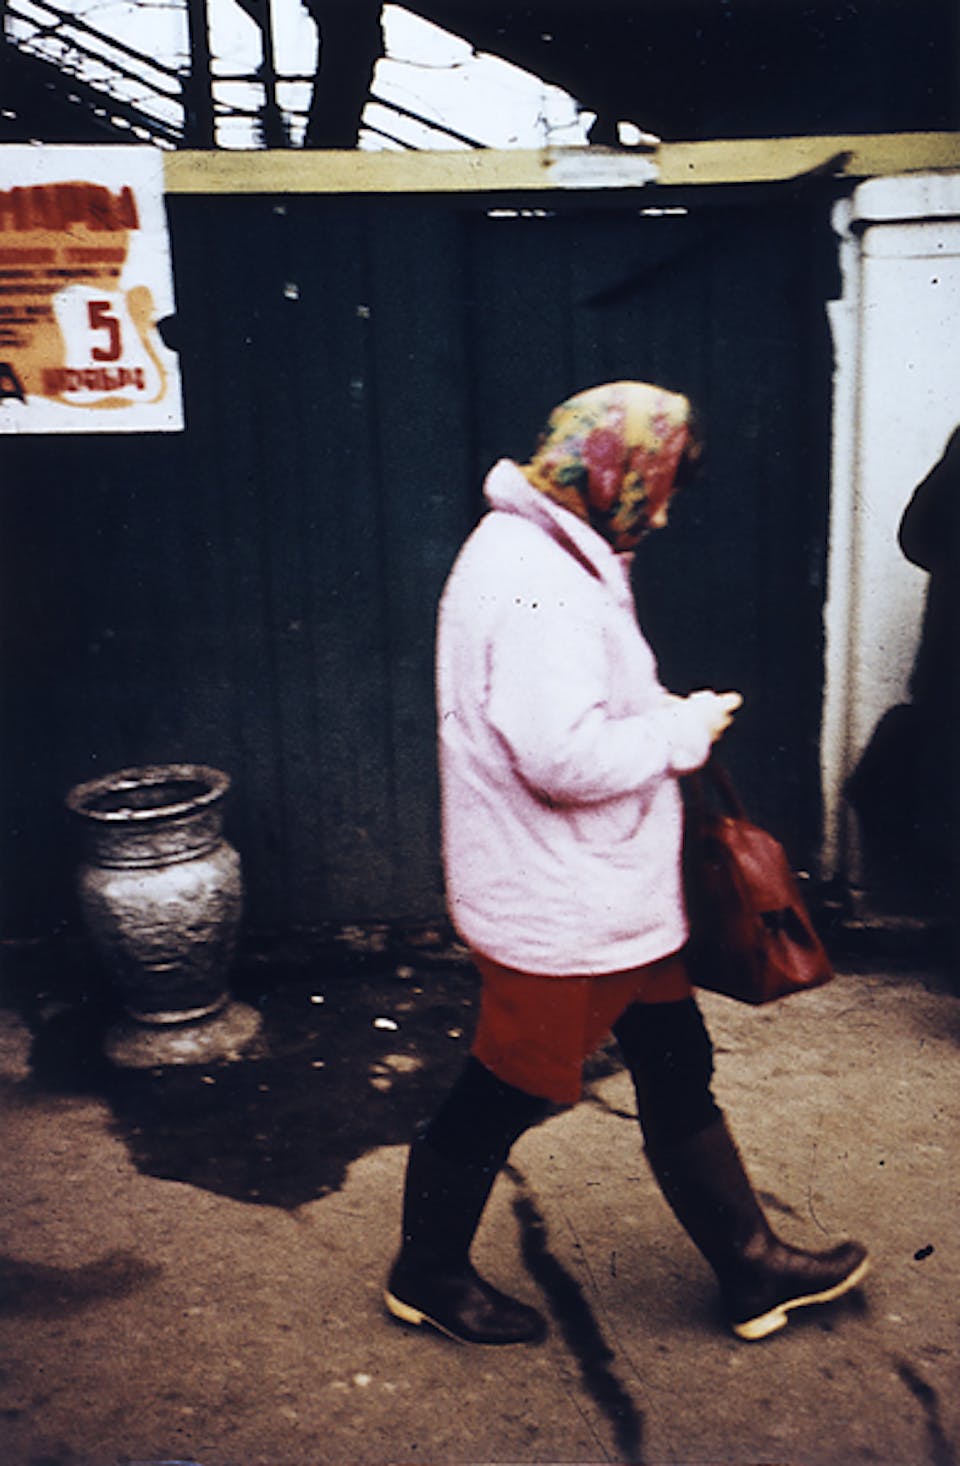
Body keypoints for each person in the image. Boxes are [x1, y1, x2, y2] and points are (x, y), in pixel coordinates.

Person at [385, 381, 869, 1346]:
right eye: (661, 488)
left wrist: (662, 717)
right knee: (509, 1087)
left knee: (676, 1059)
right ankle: (427, 1271)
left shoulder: (546, 546)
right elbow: (562, 759)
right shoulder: (544, 582)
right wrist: (684, 732)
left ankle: (752, 1267)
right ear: (617, 473)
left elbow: (573, 714)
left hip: (598, 889)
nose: (665, 512)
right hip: (565, 901)